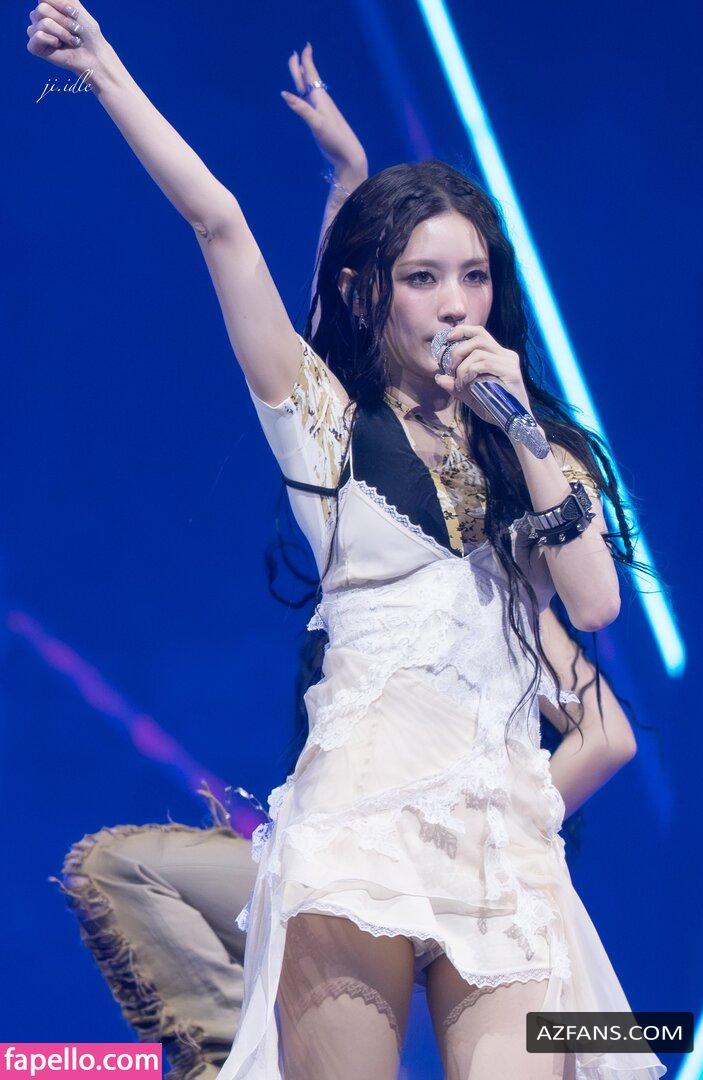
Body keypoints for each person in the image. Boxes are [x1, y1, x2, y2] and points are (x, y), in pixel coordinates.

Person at [29, 10, 665, 1080]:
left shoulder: (535, 454)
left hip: (500, 866)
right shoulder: (326, 427)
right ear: (375, 291)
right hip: (356, 834)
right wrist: (100, 66)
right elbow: (221, 223)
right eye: (424, 278)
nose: (456, 305)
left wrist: (525, 432)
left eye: (474, 276)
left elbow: (596, 610)